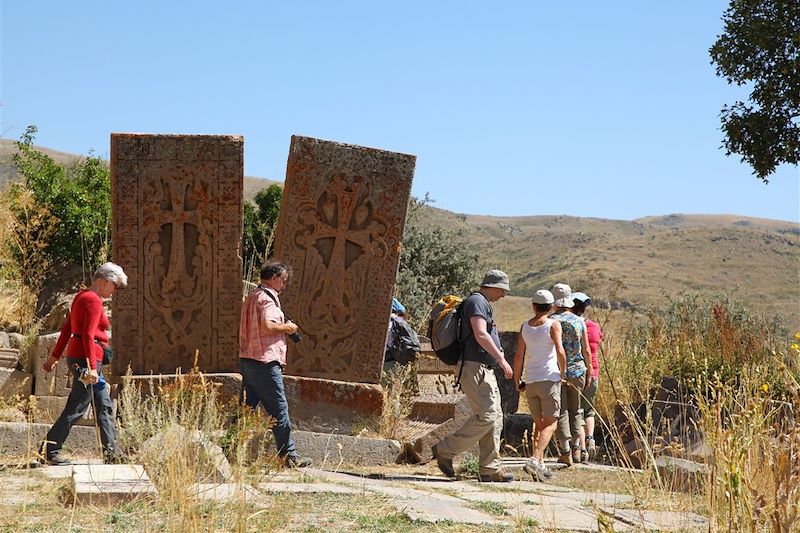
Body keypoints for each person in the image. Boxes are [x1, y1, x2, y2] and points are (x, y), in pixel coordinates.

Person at [431, 270, 515, 482]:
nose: (503, 295)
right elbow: (480, 333)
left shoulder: (480, 302)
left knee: (495, 417)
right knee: (487, 415)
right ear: (492, 285)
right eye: (502, 290)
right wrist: (502, 359)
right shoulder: (477, 302)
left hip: (482, 368)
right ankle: (445, 449)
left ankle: (489, 468)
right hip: (474, 367)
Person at [41, 262, 127, 465]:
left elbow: (66, 330)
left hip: (81, 358)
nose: (114, 291)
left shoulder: (81, 297)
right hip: (87, 360)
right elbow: (88, 335)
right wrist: (93, 368)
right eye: (114, 286)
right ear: (105, 280)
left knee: (104, 405)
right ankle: (50, 450)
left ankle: (112, 454)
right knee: (78, 405)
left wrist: (54, 357)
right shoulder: (93, 300)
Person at [239, 260, 311, 468]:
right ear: (275, 278)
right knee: (279, 409)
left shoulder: (252, 296)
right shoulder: (268, 300)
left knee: (245, 409)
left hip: (248, 359)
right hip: (265, 362)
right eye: (283, 280)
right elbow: (268, 326)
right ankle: (289, 457)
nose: (284, 285)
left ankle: (228, 449)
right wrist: (288, 328)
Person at [513, 289, 566, 482]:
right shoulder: (553, 324)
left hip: (532, 379)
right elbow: (560, 350)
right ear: (552, 306)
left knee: (539, 424)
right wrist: (563, 372)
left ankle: (541, 467)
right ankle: (535, 460)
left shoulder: (524, 327)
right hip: (549, 379)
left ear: (533, 306)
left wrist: (517, 379)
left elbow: (519, 355)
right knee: (551, 424)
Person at [550, 283, 591, 465]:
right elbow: (587, 349)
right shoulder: (579, 321)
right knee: (577, 410)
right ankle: (576, 448)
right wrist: (588, 370)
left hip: (557, 371)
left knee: (562, 410)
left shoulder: (550, 320)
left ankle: (564, 450)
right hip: (578, 370)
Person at [571, 292, 602, 459]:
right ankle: (590, 438)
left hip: (577, 373)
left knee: (577, 411)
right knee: (589, 411)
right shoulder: (594, 327)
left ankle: (582, 448)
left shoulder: (571, 325)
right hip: (594, 372)